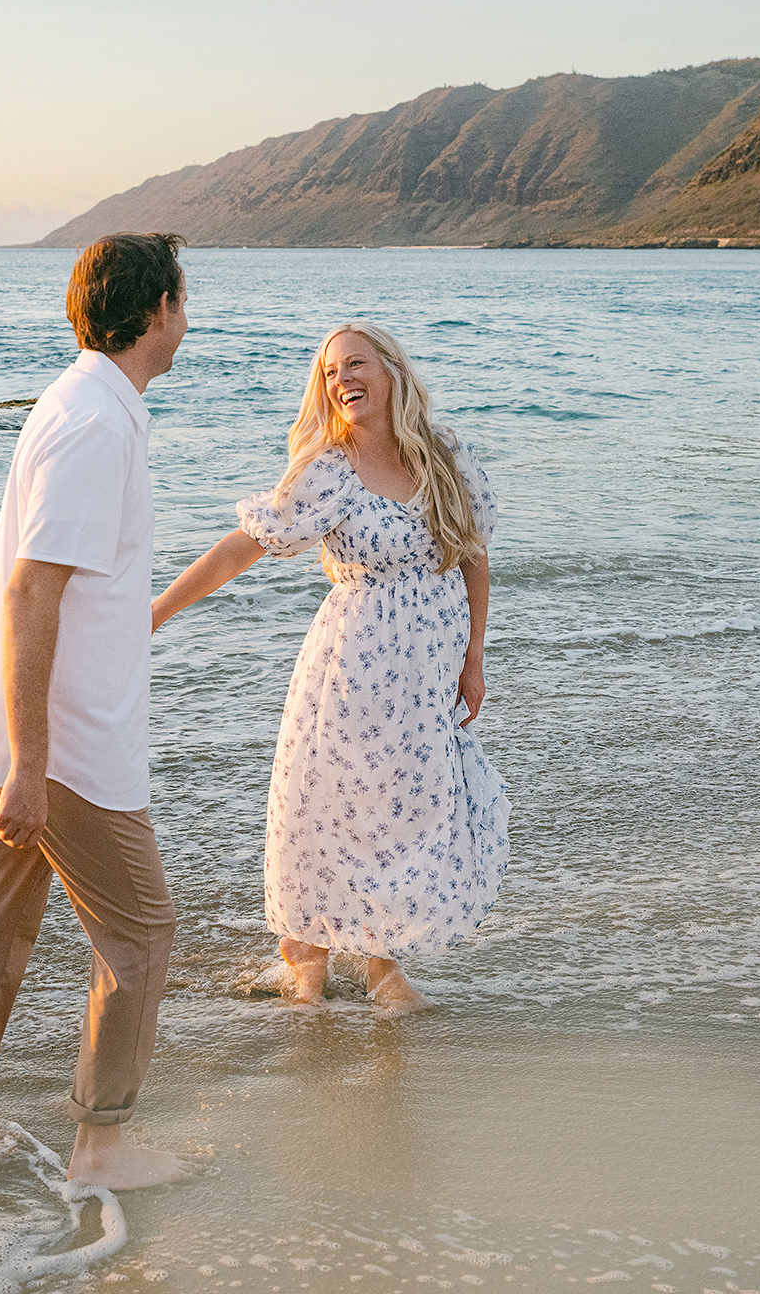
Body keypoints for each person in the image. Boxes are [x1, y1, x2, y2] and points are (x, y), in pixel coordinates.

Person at [0, 233, 192, 1188]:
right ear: (157, 309)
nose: (185, 321)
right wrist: (32, 763)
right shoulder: (94, 423)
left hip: (24, 728)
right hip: (59, 744)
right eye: (182, 303)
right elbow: (33, 592)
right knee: (140, 929)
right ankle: (103, 1147)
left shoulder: (87, 406)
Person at [151, 321, 510, 1011]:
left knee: (404, 810)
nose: (341, 379)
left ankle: (381, 967)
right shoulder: (331, 468)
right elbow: (245, 544)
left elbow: (473, 554)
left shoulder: (443, 455)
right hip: (350, 668)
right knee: (324, 808)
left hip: (426, 675)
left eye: (354, 364)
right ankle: (306, 966)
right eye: (329, 372)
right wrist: (156, 611)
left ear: (391, 370)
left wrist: (474, 658)